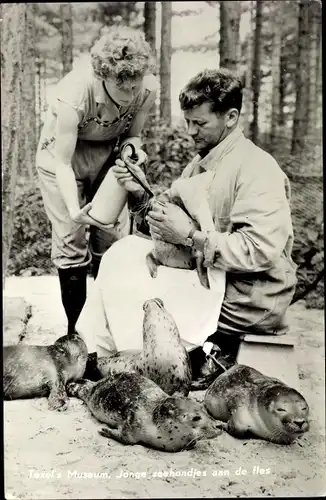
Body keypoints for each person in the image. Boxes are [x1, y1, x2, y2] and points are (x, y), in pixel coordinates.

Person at [108, 68, 297, 377]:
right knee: (122, 257)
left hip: (249, 298)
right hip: (215, 281)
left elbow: (259, 250)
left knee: (134, 295)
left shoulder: (257, 168)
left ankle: (160, 366)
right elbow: (163, 222)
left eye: (200, 123)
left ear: (231, 117)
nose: (191, 132)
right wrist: (139, 192)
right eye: (188, 122)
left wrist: (190, 237)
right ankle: (146, 360)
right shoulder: (201, 162)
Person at [36, 27, 157, 373]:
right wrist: (74, 210)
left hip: (105, 158)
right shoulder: (74, 92)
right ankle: (74, 338)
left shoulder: (145, 89)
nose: (130, 91)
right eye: (122, 85)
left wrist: (134, 153)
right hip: (62, 161)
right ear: (103, 75)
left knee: (109, 239)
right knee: (71, 243)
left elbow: (133, 135)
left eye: (135, 83)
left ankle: (106, 333)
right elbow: (61, 162)